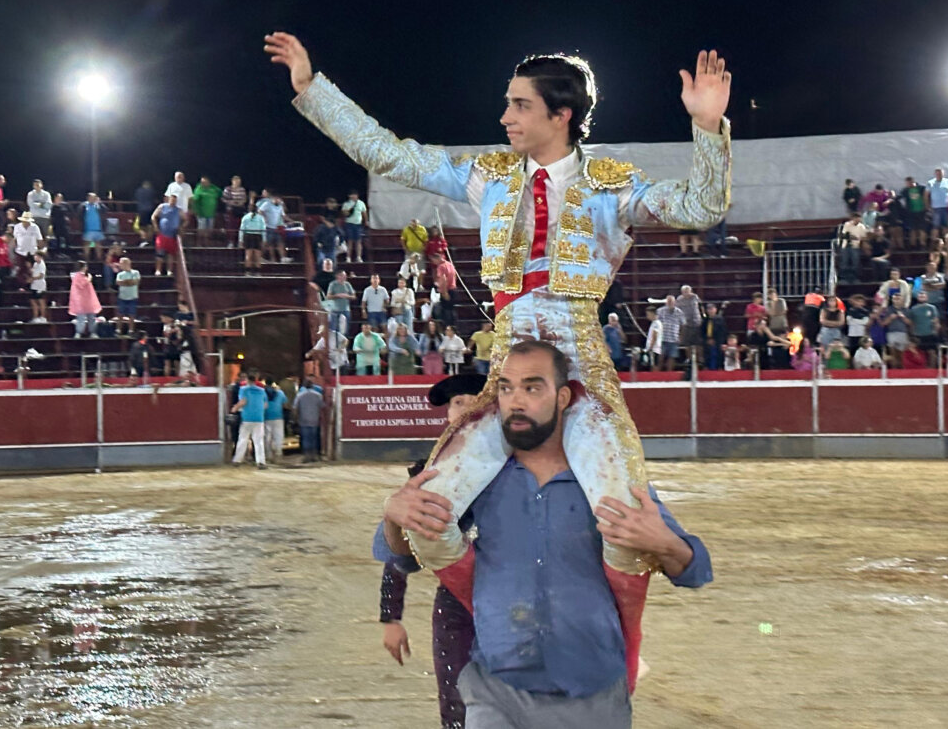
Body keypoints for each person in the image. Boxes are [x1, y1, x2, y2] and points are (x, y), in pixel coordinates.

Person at [270, 33, 729, 662]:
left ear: (560, 115)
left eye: (519, 105)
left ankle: (622, 654)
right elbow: (390, 155)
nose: (505, 116)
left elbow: (701, 206)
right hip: (510, 365)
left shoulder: (613, 184)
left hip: (581, 367)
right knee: (427, 517)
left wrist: (708, 127)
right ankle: (495, 618)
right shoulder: (486, 175)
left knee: (626, 528)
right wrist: (310, 89)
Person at [379, 342, 710, 725]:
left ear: (564, 396)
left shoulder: (608, 479)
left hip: (592, 692)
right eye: (505, 388)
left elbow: (695, 570)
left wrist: (665, 545)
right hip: (495, 687)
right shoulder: (473, 477)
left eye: (532, 388)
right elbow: (403, 557)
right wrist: (392, 516)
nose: (515, 401)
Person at [375, 373, 485, 729]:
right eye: (457, 402)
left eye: (475, 399)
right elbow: (402, 558)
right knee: (458, 712)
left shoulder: (522, 466)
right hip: (457, 607)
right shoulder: (429, 475)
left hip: (523, 604)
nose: (465, 407)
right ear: (447, 414)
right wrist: (390, 617)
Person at [230, 371, 269, 469]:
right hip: (259, 418)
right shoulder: (262, 390)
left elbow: (243, 401)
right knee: (259, 441)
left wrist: (235, 408)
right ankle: (261, 462)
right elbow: (265, 405)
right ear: (255, 380)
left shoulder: (244, 390)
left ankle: (237, 460)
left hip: (247, 417)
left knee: (243, 439)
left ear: (247, 380)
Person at [292, 379, 324, 462]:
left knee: (306, 438)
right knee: (314, 438)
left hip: (303, 420)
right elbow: (322, 406)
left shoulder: (300, 395)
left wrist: (295, 419)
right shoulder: (318, 395)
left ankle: (307, 456)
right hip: (315, 419)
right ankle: (314, 455)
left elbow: (295, 408)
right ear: (312, 386)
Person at [151, 194, 182, 277]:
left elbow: (186, 219)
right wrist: (156, 227)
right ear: (168, 199)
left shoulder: (178, 210)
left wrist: (181, 227)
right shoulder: (162, 207)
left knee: (170, 254)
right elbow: (153, 216)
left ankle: (169, 271)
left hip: (172, 235)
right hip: (162, 234)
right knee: (160, 253)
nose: (173, 201)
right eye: (172, 199)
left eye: (175, 200)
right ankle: (158, 270)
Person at [69, 261, 102, 338]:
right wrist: (89, 279)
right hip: (81, 300)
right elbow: (81, 285)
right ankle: (79, 332)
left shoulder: (83, 276)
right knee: (81, 317)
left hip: (88, 299)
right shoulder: (77, 276)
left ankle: (92, 332)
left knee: (91, 317)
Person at [114, 257, 141, 337]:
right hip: (122, 297)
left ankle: (131, 330)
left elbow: (135, 282)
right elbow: (119, 282)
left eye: (121, 263)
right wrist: (128, 282)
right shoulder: (120, 274)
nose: (120, 265)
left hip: (133, 297)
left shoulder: (135, 272)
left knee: (132, 314)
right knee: (120, 314)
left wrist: (126, 282)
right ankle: (118, 329)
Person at [324, 269, 356, 336]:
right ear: (337, 276)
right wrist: (337, 296)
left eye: (344, 276)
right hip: (335, 310)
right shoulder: (333, 284)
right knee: (333, 329)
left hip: (346, 310)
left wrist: (347, 296)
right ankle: (334, 345)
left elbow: (354, 296)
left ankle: (343, 345)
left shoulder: (347, 284)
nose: (344, 277)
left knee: (345, 330)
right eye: (342, 275)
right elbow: (328, 296)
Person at [238, 202, 267, 275]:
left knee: (248, 254)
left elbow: (242, 229)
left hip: (248, 236)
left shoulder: (245, 217)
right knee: (257, 255)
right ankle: (258, 272)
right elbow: (263, 229)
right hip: (257, 236)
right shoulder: (261, 218)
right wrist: (264, 239)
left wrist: (241, 240)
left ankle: (247, 271)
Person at [78, 192, 108, 263]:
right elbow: (79, 214)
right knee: (86, 244)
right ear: (88, 198)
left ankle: (99, 259)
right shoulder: (84, 205)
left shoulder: (98, 205)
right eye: (91, 198)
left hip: (98, 229)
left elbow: (106, 210)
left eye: (94, 198)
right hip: (88, 229)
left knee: (98, 244)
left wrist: (100, 203)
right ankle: (86, 259)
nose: (93, 199)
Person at [341, 190, 368, 263]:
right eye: (352, 195)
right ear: (349, 196)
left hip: (358, 224)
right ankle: (348, 257)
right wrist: (349, 211)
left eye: (355, 195)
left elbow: (364, 213)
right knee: (350, 241)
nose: (353, 196)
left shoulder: (361, 203)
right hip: (349, 224)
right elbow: (344, 213)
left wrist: (366, 221)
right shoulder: (346, 204)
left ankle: (359, 257)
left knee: (358, 241)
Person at [263, 379, 286, 463]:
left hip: (266, 416)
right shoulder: (280, 393)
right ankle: (278, 454)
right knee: (278, 436)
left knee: (267, 436)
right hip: (278, 416)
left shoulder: (263, 393)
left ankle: (268, 455)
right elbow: (284, 404)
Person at [927, 167, 948, 234]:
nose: (939, 175)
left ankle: (946, 242)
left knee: (946, 225)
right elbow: (926, 195)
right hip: (935, 207)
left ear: (943, 174)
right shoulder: (930, 183)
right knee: (935, 226)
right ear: (935, 174)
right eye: (937, 174)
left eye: (940, 173)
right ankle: (934, 242)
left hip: (946, 207)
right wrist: (928, 206)